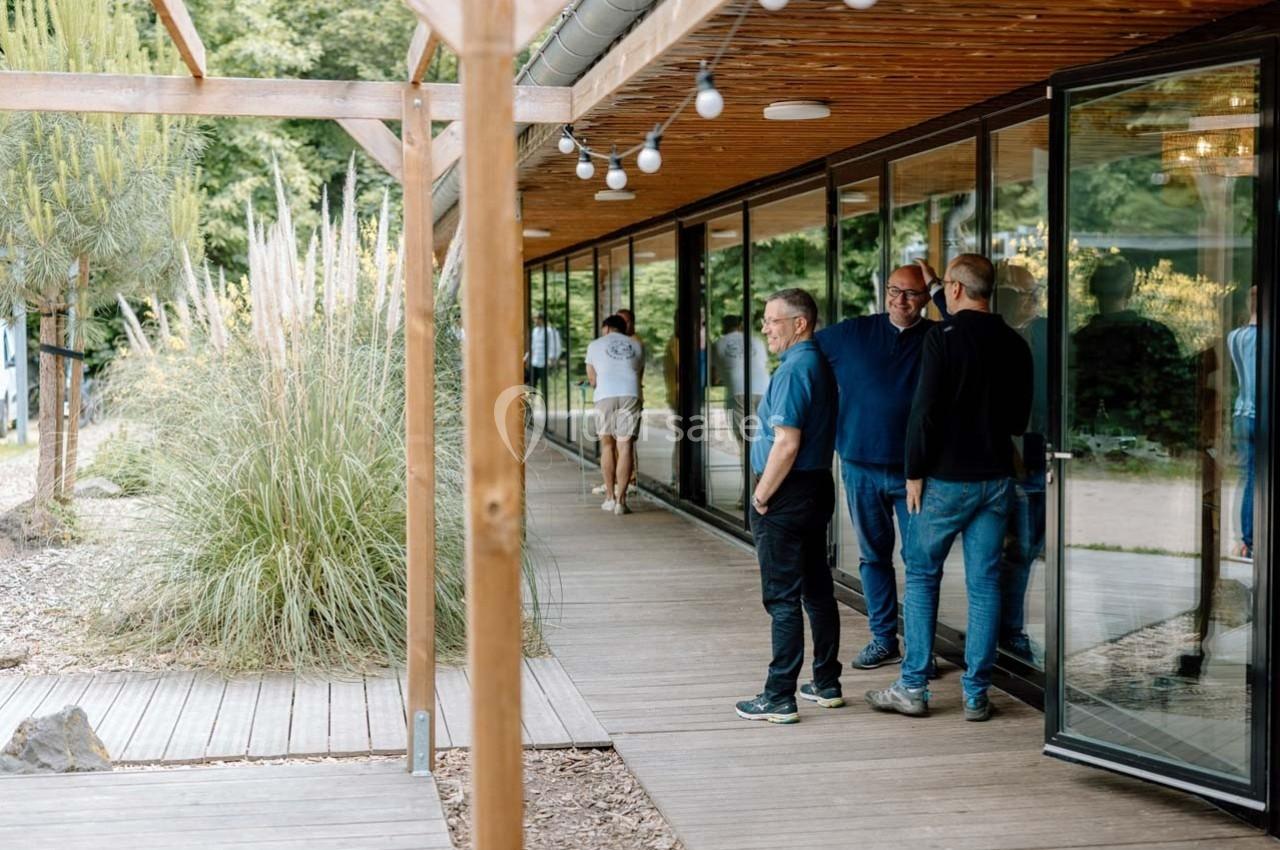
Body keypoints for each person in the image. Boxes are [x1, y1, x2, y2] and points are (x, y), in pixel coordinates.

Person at [866, 254, 1031, 722]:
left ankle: (913, 687)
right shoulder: (1015, 344)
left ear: (955, 290)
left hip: (944, 480)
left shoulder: (942, 337)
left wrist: (913, 472)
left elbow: (925, 411)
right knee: (984, 585)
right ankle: (976, 694)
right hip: (996, 480)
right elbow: (1019, 419)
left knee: (921, 576)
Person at [813, 265, 934, 670]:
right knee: (873, 557)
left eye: (913, 294)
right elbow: (803, 350)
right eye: (894, 291)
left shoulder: (938, 338)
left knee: (920, 562)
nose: (901, 301)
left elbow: (965, 329)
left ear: (928, 297)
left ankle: (921, 650)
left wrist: (936, 290)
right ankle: (884, 640)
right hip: (859, 465)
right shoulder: (852, 333)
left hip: (915, 472)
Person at [735, 288, 840, 723]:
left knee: (782, 598)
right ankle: (827, 682)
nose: (764, 328)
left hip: (787, 492)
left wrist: (761, 496)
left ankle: (779, 695)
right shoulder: (814, 362)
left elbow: (787, 442)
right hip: (813, 488)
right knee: (816, 590)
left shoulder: (797, 368)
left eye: (772, 320)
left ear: (800, 323)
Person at [993, 262, 1048, 662]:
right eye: (1023, 293)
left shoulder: (1046, 333)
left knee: (1026, 549)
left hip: (1041, 453)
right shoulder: (988, 338)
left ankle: (1008, 629)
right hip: (1001, 461)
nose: (1033, 300)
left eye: (1036, 291)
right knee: (1014, 549)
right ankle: (1008, 632)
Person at [586, 315, 644, 516]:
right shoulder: (636, 345)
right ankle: (621, 501)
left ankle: (609, 497)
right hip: (631, 393)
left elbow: (593, 380)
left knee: (608, 445)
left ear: (607, 328)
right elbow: (638, 373)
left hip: (605, 395)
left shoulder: (594, 345)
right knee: (625, 446)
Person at [711, 313, 770, 473]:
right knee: (763, 439)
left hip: (738, 392)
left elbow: (713, 376)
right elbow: (762, 364)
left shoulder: (719, 344)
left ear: (724, 327)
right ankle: (766, 486)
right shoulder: (757, 341)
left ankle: (751, 490)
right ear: (740, 326)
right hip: (765, 390)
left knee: (746, 442)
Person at [1229, 286, 1257, 559]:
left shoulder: (1234, 337)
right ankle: (1250, 541)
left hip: (1241, 415)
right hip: (1259, 415)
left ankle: (1246, 541)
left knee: (1248, 476)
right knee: (1254, 477)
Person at [526, 312, 562, 390]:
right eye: (535, 319)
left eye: (537, 319)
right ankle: (531, 402)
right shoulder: (535, 331)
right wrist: (528, 357)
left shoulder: (550, 331)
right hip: (534, 362)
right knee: (532, 385)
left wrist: (552, 359)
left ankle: (544, 401)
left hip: (544, 363)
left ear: (542, 320)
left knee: (544, 386)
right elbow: (533, 346)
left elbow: (555, 346)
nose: (535, 321)